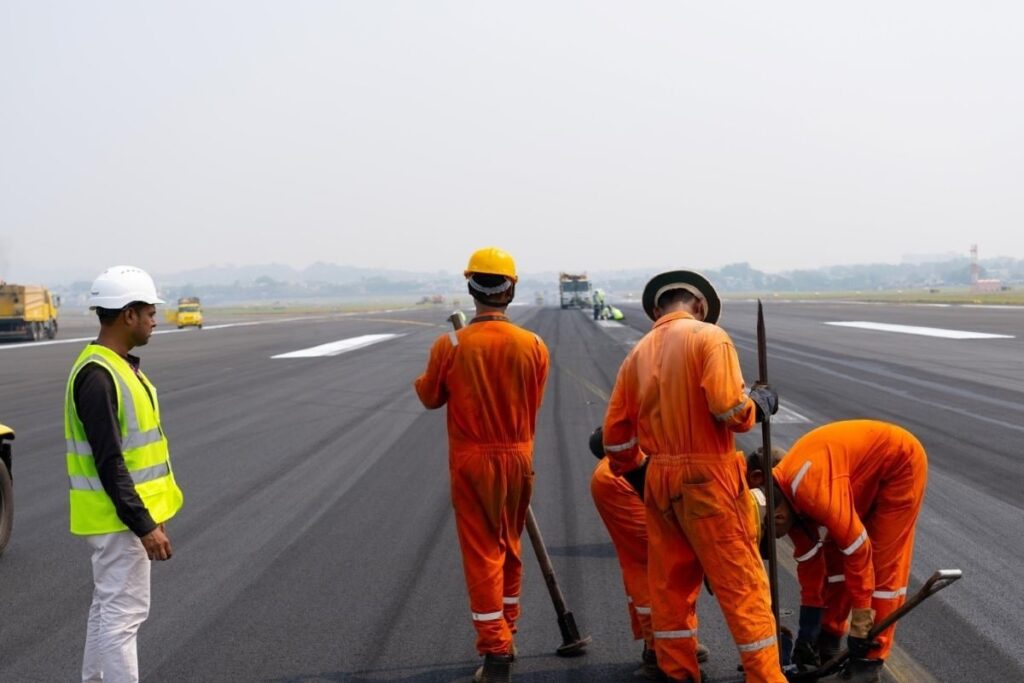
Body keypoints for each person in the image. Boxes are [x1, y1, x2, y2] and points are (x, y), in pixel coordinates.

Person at [602, 270, 784, 683]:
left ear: (656, 310)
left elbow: (614, 438)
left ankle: (678, 673)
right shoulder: (708, 338)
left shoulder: (637, 353)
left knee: (670, 588)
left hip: (659, 478)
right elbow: (729, 410)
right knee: (742, 586)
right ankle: (766, 677)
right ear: (700, 306)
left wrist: (638, 470)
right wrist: (758, 404)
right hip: (710, 478)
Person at [414, 247, 550, 683]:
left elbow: (430, 397)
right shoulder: (533, 345)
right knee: (510, 548)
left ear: (471, 287)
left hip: (473, 461)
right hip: (518, 456)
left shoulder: (451, 344)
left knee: (482, 555)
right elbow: (533, 400)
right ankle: (508, 632)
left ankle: (495, 652)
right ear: (511, 289)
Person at [65, 265, 184, 683]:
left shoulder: (116, 367)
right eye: (149, 311)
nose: (155, 319)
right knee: (124, 615)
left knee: (108, 609)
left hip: (117, 515)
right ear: (127, 314)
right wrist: (143, 525)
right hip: (119, 519)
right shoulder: (99, 376)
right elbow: (111, 462)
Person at [766, 420, 928, 683]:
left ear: (778, 516)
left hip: (899, 463)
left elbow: (858, 549)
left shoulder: (810, 490)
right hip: (859, 474)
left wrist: (862, 617)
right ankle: (827, 640)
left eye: (774, 536)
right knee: (833, 562)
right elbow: (812, 571)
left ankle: (868, 662)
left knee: (882, 565)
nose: (778, 538)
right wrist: (809, 632)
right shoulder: (786, 503)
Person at [589, 427, 717, 679]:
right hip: (621, 478)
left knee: (646, 565)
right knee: (661, 564)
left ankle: (664, 648)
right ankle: (663, 654)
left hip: (622, 471)